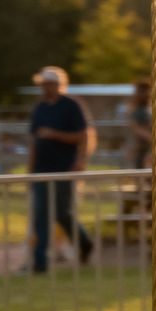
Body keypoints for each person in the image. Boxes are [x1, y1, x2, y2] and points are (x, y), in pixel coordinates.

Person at [25, 66, 94, 273]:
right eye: (42, 84)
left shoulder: (71, 106)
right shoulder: (40, 109)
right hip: (41, 169)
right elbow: (34, 141)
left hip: (64, 167)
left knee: (62, 213)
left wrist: (79, 158)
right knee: (41, 214)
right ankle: (40, 262)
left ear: (58, 85)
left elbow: (82, 136)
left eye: (48, 84)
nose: (45, 88)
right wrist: (31, 170)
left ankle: (84, 242)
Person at [128, 81, 153, 169]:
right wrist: (153, 138)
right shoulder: (137, 110)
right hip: (141, 148)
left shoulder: (147, 109)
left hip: (148, 147)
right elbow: (136, 128)